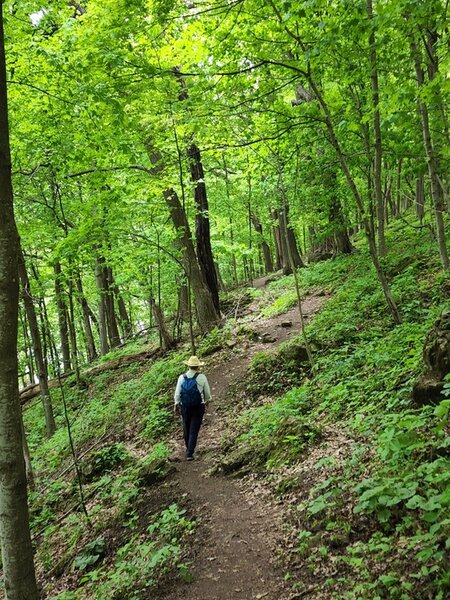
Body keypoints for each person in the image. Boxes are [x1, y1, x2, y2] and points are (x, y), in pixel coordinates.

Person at [174, 355, 211, 461]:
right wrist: (207, 402)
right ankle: (190, 453)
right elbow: (207, 393)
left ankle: (188, 448)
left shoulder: (182, 377)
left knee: (186, 427)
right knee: (194, 429)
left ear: (188, 366)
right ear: (198, 367)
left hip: (184, 406)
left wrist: (176, 404)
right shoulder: (202, 377)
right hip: (198, 406)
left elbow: (177, 393)